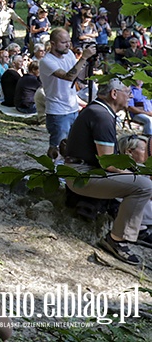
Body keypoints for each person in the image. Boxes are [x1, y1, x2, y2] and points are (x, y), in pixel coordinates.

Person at [63, 79, 152, 265]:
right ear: (114, 94)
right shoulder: (101, 115)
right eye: (127, 92)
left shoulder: (99, 112)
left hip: (81, 172)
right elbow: (108, 164)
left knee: (140, 183)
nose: (129, 96)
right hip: (81, 175)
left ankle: (136, 230)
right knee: (143, 185)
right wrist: (136, 175)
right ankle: (117, 240)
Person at [39, 28, 95, 160]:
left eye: (69, 42)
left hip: (72, 107)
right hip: (57, 110)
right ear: (52, 43)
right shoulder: (47, 61)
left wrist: (89, 62)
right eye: (63, 42)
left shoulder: (69, 54)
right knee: (58, 146)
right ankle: (56, 171)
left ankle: (67, 171)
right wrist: (84, 57)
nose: (68, 45)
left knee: (72, 145)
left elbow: (77, 73)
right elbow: (68, 76)